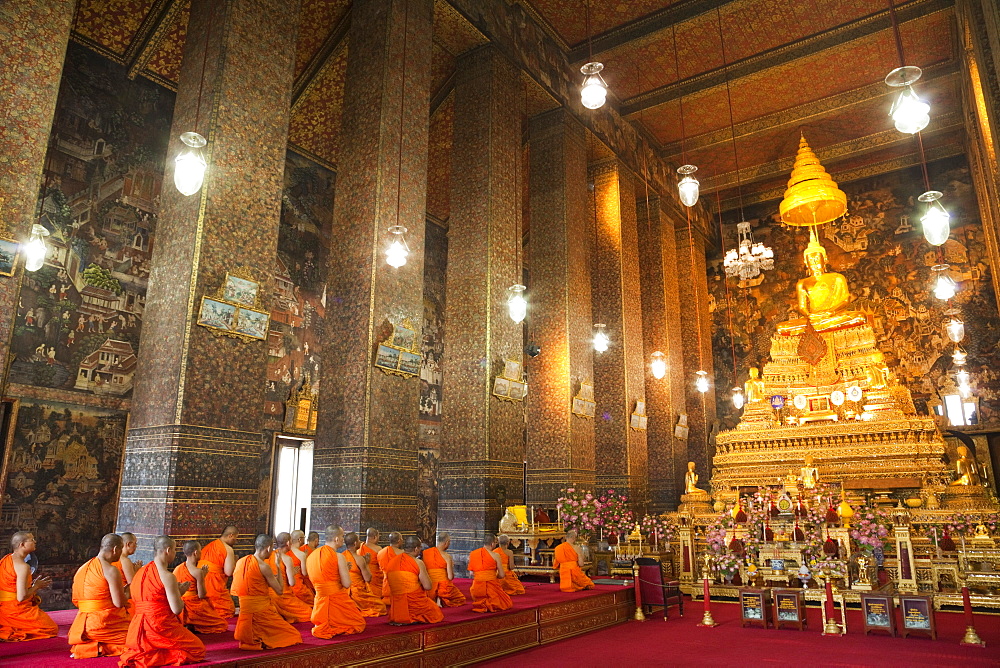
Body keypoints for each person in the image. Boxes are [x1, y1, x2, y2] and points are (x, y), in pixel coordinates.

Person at [119, 536, 206, 667]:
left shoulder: (140, 572)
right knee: (198, 650)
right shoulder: (167, 576)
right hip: (160, 624)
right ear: (168, 550)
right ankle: (146, 659)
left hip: (138, 626)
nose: (175, 554)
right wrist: (179, 593)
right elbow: (177, 609)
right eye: (175, 550)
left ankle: (145, 655)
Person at [231, 534, 302, 651]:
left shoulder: (241, 561)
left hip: (245, 611)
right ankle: (263, 639)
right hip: (261, 611)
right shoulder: (264, 566)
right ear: (268, 548)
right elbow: (279, 590)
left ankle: (257, 638)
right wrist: (278, 567)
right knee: (294, 635)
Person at [68, 534, 130, 658]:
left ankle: (90, 646)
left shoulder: (82, 568)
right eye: (121, 549)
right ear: (115, 549)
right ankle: (100, 647)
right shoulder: (111, 570)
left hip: (82, 626)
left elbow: (76, 600)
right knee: (140, 636)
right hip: (103, 623)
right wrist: (127, 594)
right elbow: (119, 603)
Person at [306, 525, 366, 638]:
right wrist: (345, 571)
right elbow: (347, 583)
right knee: (359, 623)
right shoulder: (338, 556)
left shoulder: (311, 556)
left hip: (319, 600)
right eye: (342, 536)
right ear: (337, 539)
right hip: (336, 598)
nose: (343, 539)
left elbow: (322, 578)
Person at [0, 531, 58, 640]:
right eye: (32, 540)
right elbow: (21, 597)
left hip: (3, 608)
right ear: (22, 544)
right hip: (15, 609)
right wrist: (36, 586)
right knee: (51, 628)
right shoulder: (22, 566)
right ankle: (12, 629)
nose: (35, 541)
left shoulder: (6, 559)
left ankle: (11, 627)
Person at [385, 536, 443, 625]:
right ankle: (413, 617)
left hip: (397, 607)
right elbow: (428, 586)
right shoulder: (418, 562)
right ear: (416, 549)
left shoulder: (392, 561)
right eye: (420, 548)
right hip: (414, 603)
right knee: (436, 613)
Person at [172, 541, 228, 634]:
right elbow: (201, 595)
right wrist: (202, 577)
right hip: (193, 607)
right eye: (200, 551)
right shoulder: (198, 572)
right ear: (196, 553)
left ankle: (189, 624)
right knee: (222, 624)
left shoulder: (177, 568)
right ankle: (194, 624)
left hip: (179, 605)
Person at [269, 533, 312, 623]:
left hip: (269, 595)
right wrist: (292, 574)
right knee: (309, 613)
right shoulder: (287, 559)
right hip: (283, 595)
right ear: (288, 543)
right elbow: (292, 583)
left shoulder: (269, 555)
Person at [343, 532, 385, 616]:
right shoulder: (359, 559)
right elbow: (368, 578)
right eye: (358, 540)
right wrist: (367, 564)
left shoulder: (341, 556)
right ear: (355, 543)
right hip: (357, 593)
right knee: (381, 607)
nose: (360, 542)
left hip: (343, 592)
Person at [199, 526, 238, 618]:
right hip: (213, 582)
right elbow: (228, 572)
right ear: (230, 535)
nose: (236, 541)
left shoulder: (210, 545)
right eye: (236, 538)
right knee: (227, 609)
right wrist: (235, 563)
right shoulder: (228, 549)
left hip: (200, 580)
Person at [468, 535, 513, 613]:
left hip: (477, 589)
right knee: (506, 603)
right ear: (492, 544)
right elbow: (502, 575)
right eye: (495, 543)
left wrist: (482, 576)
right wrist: (492, 576)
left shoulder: (473, 554)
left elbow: (471, 573)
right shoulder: (496, 555)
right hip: (492, 586)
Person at [421, 533, 466, 607]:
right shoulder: (447, 557)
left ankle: (436, 598)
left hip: (429, 586)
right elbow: (450, 577)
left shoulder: (426, 553)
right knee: (460, 599)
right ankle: (440, 598)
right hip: (443, 586)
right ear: (447, 542)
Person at [288, 530, 315, 605]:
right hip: (298, 586)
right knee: (312, 602)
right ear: (300, 539)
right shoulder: (301, 554)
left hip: (287, 586)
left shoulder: (285, 551)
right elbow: (304, 573)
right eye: (304, 537)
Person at [377, 532, 404, 605]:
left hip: (385, 582)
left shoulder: (381, 552)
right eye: (401, 539)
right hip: (398, 584)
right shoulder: (402, 554)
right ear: (399, 541)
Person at [359, 528, 383, 598]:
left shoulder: (359, 548)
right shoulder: (378, 549)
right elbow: (382, 565)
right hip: (374, 579)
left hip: (362, 577)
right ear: (375, 537)